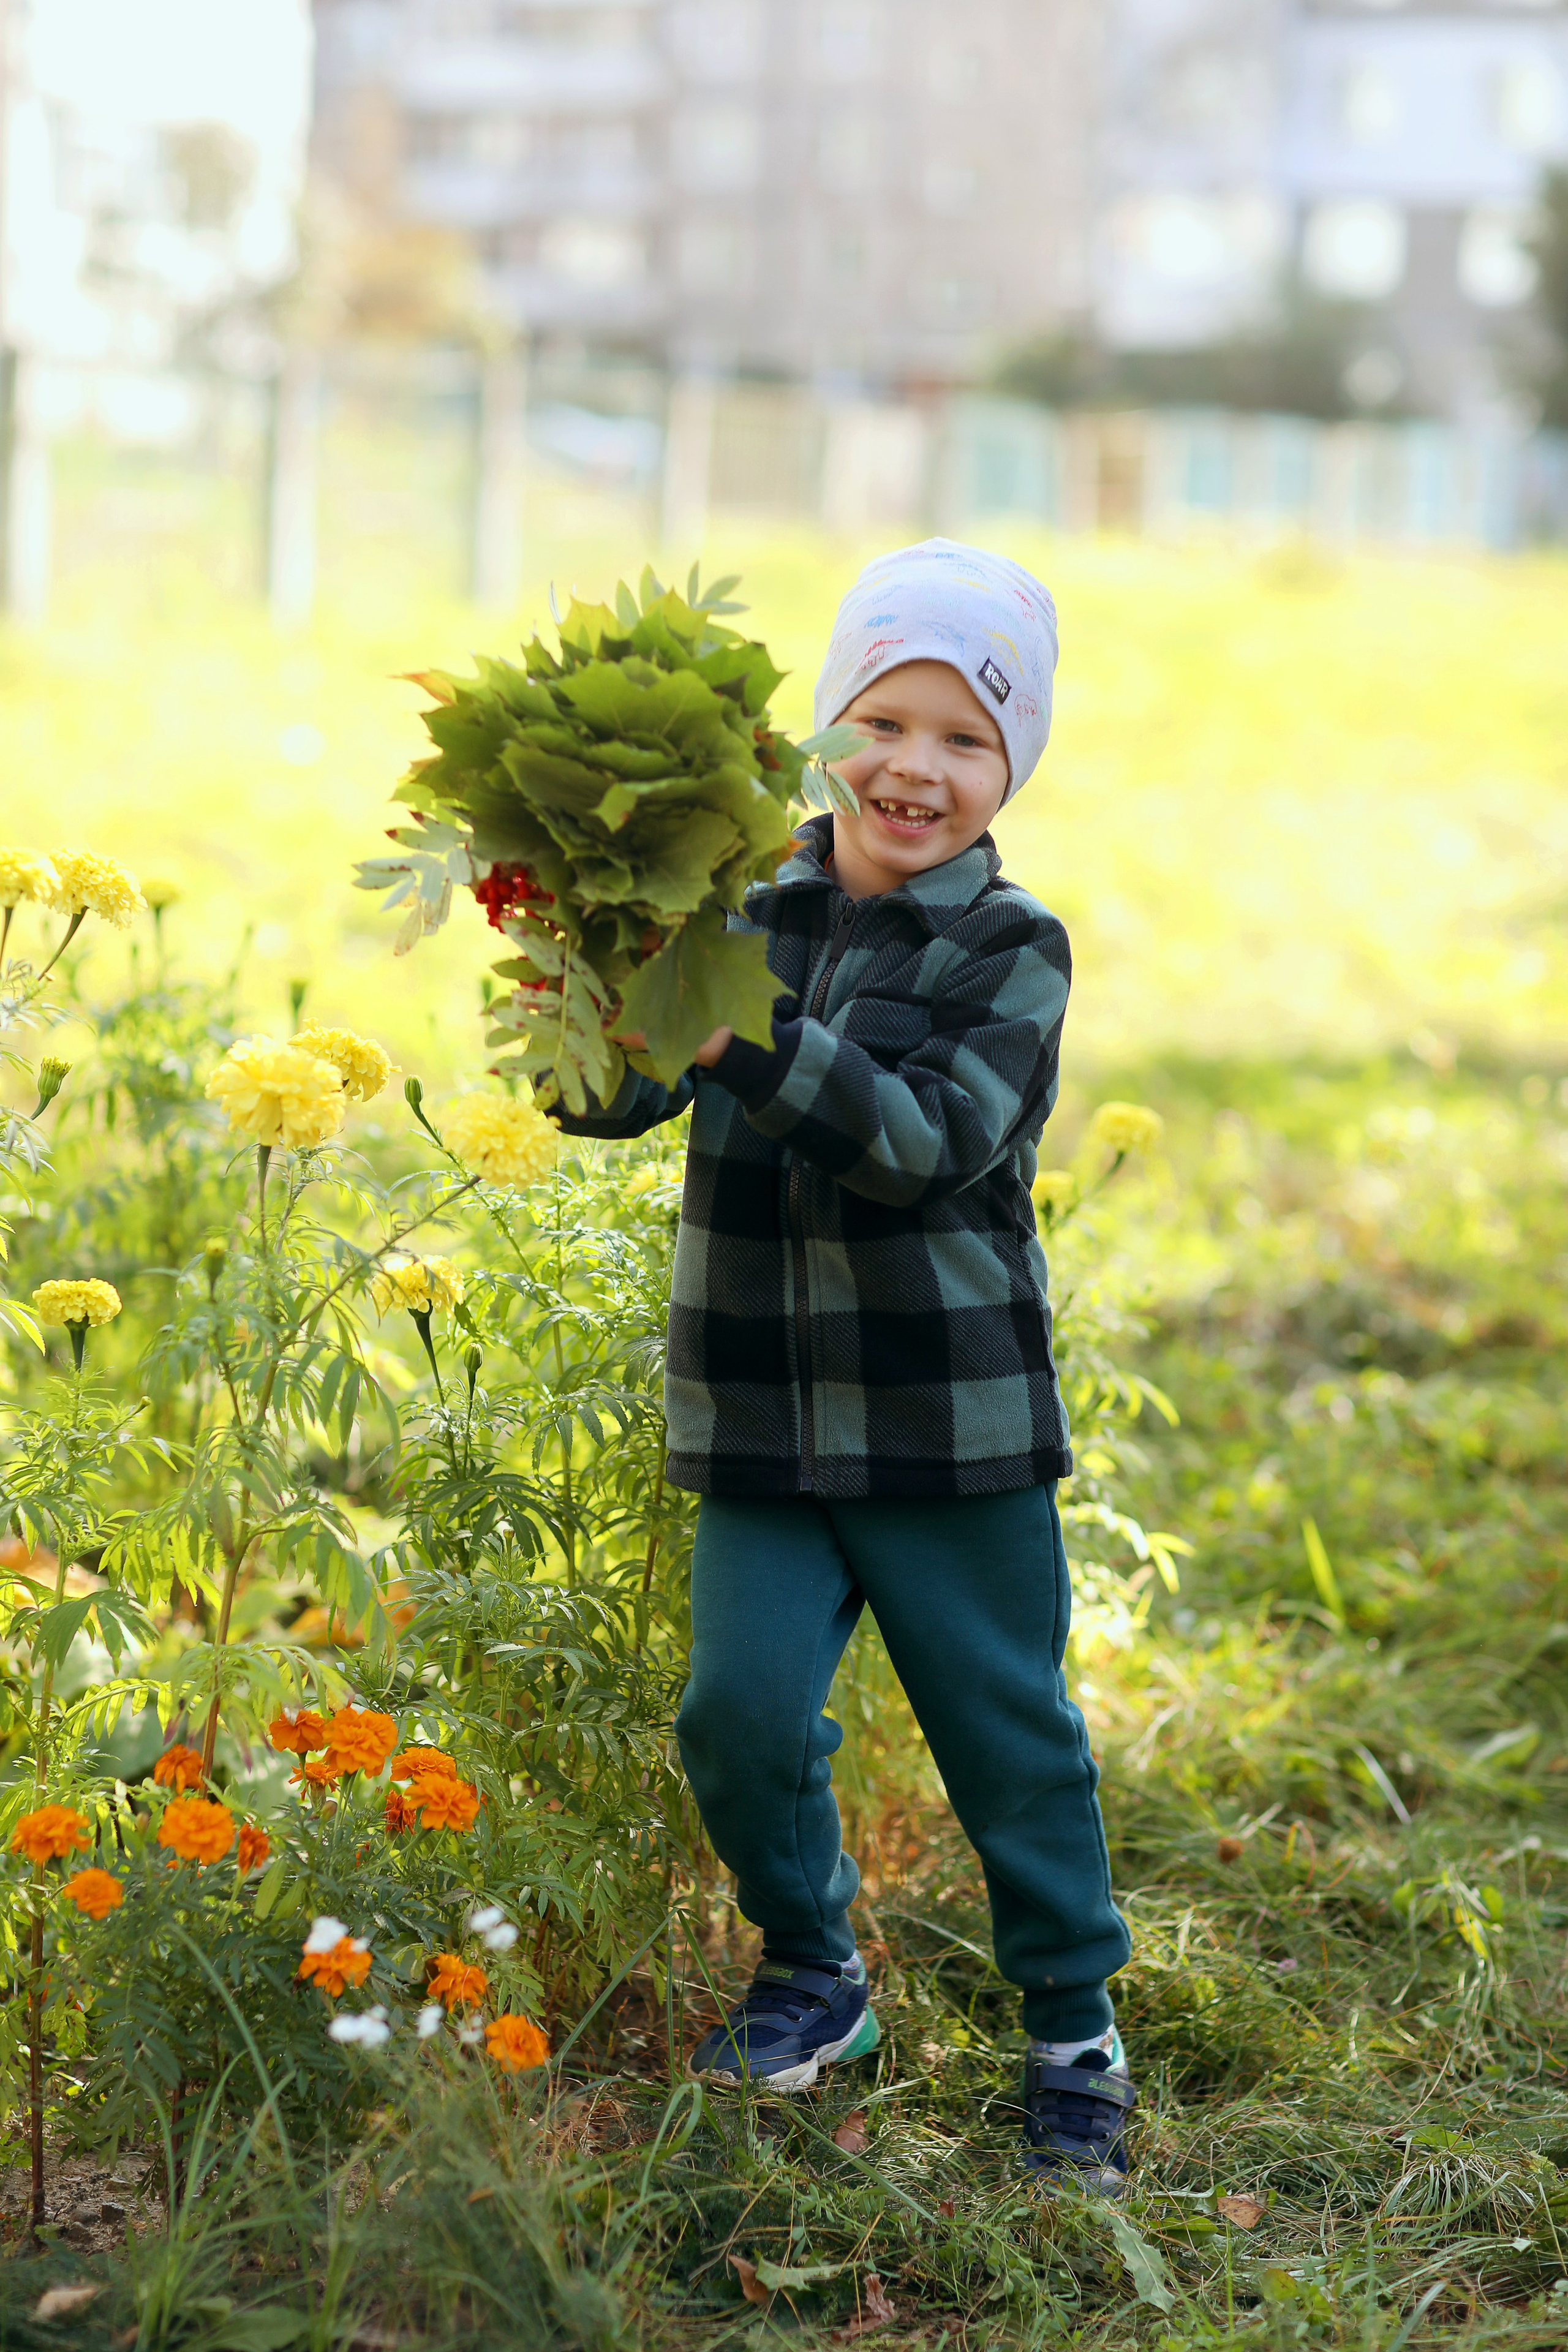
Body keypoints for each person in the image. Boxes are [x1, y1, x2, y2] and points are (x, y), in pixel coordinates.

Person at [555, 538, 1134, 2195]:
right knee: (735, 1714)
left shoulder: (1013, 945)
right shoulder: (734, 909)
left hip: (950, 1431)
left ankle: (1073, 2031)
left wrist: (744, 1032)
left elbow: (929, 1141)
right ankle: (813, 1969)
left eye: (966, 739)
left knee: (1008, 1736)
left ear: (1008, 766)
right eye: (883, 720)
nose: (914, 768)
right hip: (755, 1413)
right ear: (826, 729)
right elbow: (614, 1104)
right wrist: (586, 968)